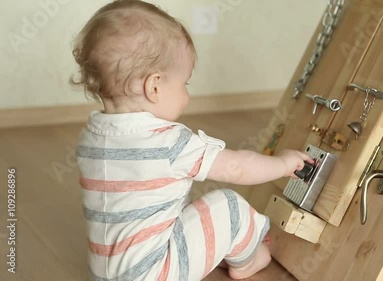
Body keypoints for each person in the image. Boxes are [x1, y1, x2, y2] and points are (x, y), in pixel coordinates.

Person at [72, 1, 312, 280]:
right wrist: (283, 164)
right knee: (230, 205)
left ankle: (220, 249)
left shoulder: (90, 136)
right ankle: (247, 261)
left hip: (103, 275)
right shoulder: (170, 143)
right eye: (185, 83)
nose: (187, 95)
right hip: (157, 273)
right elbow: (238, 166)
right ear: (154, 86)